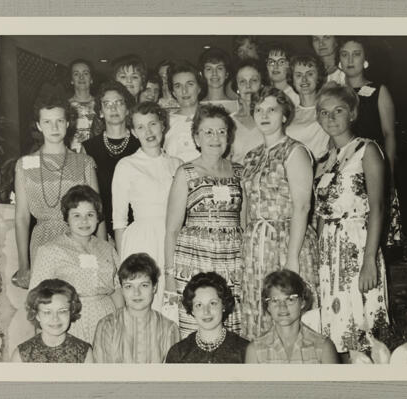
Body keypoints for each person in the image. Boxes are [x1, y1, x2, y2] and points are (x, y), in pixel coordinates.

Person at [314, 85, 390, 361]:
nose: (331, 118)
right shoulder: (322, 161)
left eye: (338, 111)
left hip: (357, 246)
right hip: (328, 253)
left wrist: (369, 259)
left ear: (353, 113)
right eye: (324, 112)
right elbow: (321, 214)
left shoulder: (366, 149)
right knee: (336, 332)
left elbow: (378, 206)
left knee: (362, 330)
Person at [241, 87, 319, 340]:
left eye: (271, 109)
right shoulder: (251, 157)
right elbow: (247, 205)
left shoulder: (294, 151)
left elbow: (302, 207)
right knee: (261, 310)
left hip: (288, 240)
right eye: (259, 110)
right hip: (257, 245)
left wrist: (292, 257)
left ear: (284, 115)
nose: (264, 115)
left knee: (290, 308)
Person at [165, 104, 243, 338]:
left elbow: (245, 223)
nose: (215, 137)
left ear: (228, 137)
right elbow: (171, 230)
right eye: (208, 132)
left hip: (231, 261)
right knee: (196, 326)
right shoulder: (185, 172)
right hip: (194, 259)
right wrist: (169, 279)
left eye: (221, 131)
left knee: (230, 328)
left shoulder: (240, 172)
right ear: (196, 137)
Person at [12, 94, 102, 289]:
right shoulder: (24, 165)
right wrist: (23, 265)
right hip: (42, 242)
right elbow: (21, 218)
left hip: (79, 239)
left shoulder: (84, 162)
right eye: (47, 122)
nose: (54, 128)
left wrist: (103, 252)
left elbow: (98, 211)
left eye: (59, 121)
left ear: (68, 123)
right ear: (38, 125)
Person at [29, 185, 123, 344]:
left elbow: (117, 289)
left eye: (90, 214)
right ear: (67, 218)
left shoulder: (107, 248)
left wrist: (121, 322)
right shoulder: (51, 250)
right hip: (71, 322)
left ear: (98, 217)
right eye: (77, 215)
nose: (84, 221)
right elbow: (37, 299)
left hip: (108, 320)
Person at [111, 102, 183, 311]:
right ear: (133, 132)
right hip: (141, 240)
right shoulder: (126, 165)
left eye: (152, 124)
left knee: (172, 301)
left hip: (174, 238)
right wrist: (123, 263)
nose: (148, 131)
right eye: (140, 127)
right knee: (144, 301)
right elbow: (119, 220)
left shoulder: (178, 164)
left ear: (163, 125)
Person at [339, 36, 401, 245]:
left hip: (372, 169)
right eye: (345, 54)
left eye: (356, 54)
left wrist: (389, 171)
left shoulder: (378, 91)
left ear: (365, 60)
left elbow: (389, 134)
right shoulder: (336, 93)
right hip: (346, 170)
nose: (350, 60)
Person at [93, 253, 180, 363]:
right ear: (122, 290)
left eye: (144, 285)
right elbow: (101, 374)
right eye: (129, 286)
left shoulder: (169, 329)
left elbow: (171, 375)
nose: (136, 293)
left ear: (154, 287)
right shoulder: (107, 326)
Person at [82, 81, 140, 239]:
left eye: (119, 103)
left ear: (127, 109)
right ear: (100, 112)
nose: (113, 108)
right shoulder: (88, 149)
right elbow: (89, 199)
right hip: (101, 230)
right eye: (107, 104)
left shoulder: (141, 144)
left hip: (138, 229)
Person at [245, 270, 339, 364]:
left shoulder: (323, 347)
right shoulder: (255, 350)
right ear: (268, 306)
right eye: (275, 300)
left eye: (290, 299)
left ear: (302, 302)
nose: (282, 307)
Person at [165, 272, 249, 363]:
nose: (206, 311)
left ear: (223, 305)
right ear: (192, 310)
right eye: (199, 305)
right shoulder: (178, 354)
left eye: (212, 303)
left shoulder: (244, 351)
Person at [11, 279, 93, 363]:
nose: (55, 318)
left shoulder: (84, 352)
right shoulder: (21, 355)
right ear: (37, 315)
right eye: (47, 312)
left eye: (62, 311)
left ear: (71, 312)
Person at [285, 54, 330, 161]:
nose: (304, 79)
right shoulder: (288, 114)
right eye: (298, 75)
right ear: (292, 79)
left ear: (318, 77)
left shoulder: (328, 109)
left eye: (310, 74)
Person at [163, 61, 203, 162]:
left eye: (190, 84)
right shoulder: (165, 121)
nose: (184, 91)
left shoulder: (213, 117)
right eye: (178, 86)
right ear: (173, 92)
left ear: (199, 88)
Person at [228, 59, 265, 165]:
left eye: (253, 80)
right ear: (237, 88)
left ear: (261, 85)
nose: (248, 86)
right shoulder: (229, 121)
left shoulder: (272, 117)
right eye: (242, 81)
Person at [67, 58, 97, 152]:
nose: (81, 77)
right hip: (71, 155)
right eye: (76, 74)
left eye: (85, 73)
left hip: (96, 153)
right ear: (71, 80)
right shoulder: (65, 106)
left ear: (91, 79)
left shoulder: (100, 104)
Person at [198, 47, 239, 114]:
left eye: (219, 68)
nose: (214, 73)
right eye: (209, 69)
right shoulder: (197, 107)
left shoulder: (237, 106)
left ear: (226, 74)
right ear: (202, 74)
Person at [264, 42, 299, 106]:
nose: (275, 66)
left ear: (289, 65)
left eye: (281, 62)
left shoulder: (296, 96)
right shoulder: (264, 94)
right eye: (271, 62)